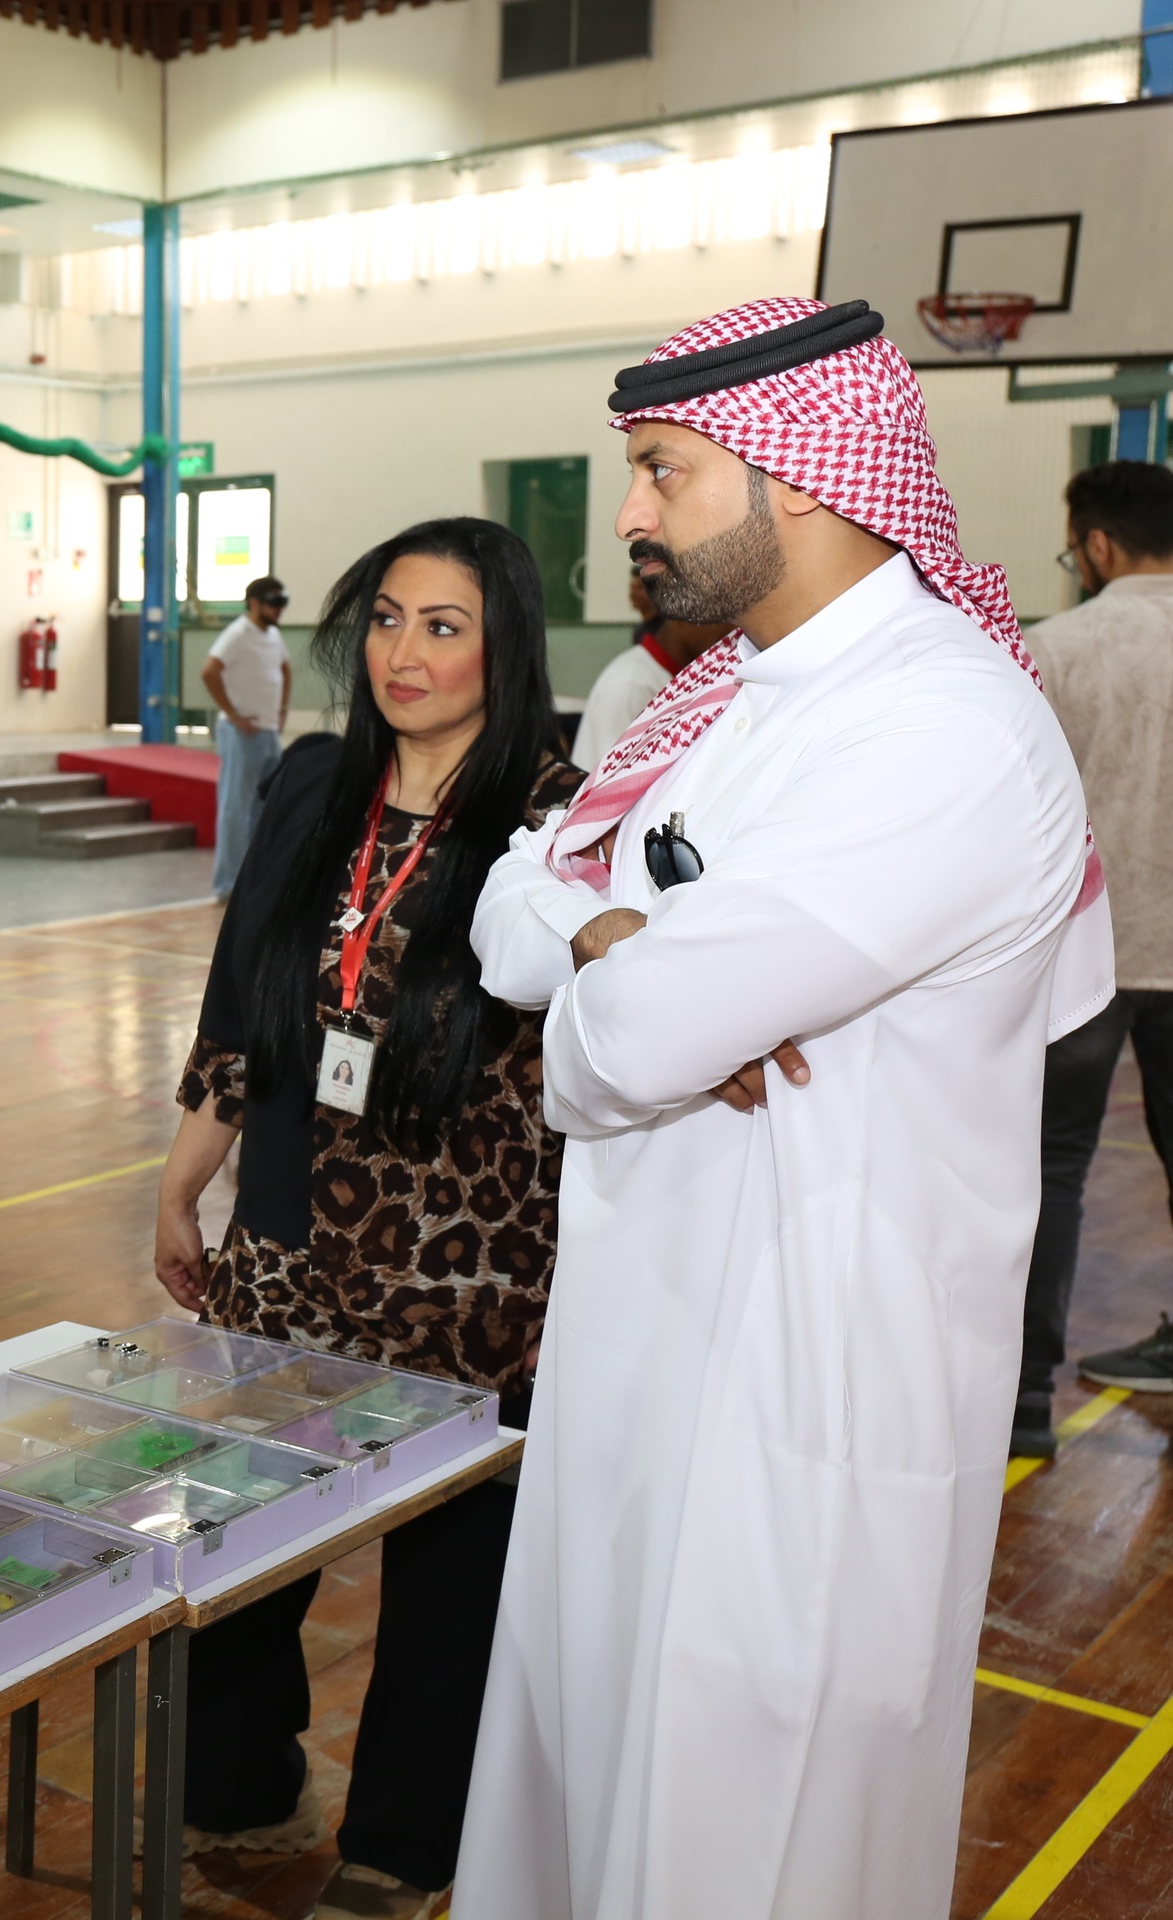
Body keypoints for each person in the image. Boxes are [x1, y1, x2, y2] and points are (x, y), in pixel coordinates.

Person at [462, 297, 1110, 1918]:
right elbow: (510, 906)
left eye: (663, 470)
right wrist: (619, 942)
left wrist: (625, 970)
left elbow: (627, 1039)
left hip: (803, 1385)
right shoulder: (741, 701)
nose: (630, 514)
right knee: (598, 1797)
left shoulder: (941, 726)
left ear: (803, 475)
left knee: (749, 1841)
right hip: (638, 1353)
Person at [154, 520, 576, 1920]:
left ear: (506, 648)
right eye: (387, 619)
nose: (404, 652)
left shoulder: (562, 819)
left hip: (474, 1276)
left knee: (449, 1587)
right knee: (241, 1547)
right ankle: (239, 1784)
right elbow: (245, 1002)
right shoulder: (315, 786)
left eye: (444, 626)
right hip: (285, 1249)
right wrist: (183, 1180)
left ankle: (405, 1844)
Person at [1015, 459, 1173, 1450]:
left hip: (1087, 957)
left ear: (1099, 546)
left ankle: (1024, 1400)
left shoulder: (1056, 649)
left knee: (1051, 1171)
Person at [204, 574, 293, 902]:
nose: (279, 609)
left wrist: (281, 710)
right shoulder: (238, 633)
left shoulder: (272, 635)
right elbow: (209, 671)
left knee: (263, 809)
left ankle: (254, 880)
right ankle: (227, 885)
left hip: (268, 732)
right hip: (242, 733)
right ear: (254, 603)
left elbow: (285, 669)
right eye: (273, 602)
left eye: (282, 602)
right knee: (235, 809)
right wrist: (233, 714)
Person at [568, 605, 731, 769]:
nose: (731, 630)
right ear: (679, 616)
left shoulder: (694, 678)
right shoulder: (631, 685)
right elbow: (620, 778)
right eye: (721, 618)